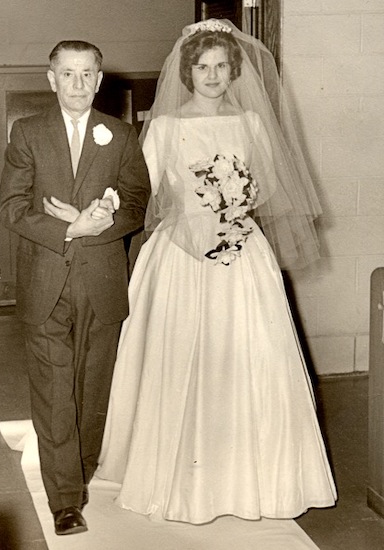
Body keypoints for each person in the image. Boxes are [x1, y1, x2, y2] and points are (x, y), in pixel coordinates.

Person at [96, 19, 337, 524]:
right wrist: (190, 214)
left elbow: (270, 184)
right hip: (181, 252)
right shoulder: (165, 127)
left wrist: (235, 207)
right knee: (184, 350)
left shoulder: (251, 123)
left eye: (221, 67)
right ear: (188, 72)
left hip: (241, 249)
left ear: (233, 71)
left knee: (250, 351)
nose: (211, 75)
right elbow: (148, 189)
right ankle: (180, 476)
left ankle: (251, 477)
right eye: (202, 67)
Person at [0, 40, 150, 536]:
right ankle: (65, 499)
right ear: (51, 78)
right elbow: (12, 208)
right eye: (68, 74)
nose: (78, 84)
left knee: (90, 389)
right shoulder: (27, 133)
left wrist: (101, 225)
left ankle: (80, 473)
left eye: (88, 74)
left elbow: (136, 203)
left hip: (103, 283)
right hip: (46, 282)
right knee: (54, 391)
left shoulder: (122, 135)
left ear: (100, 80)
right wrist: (68, 229)